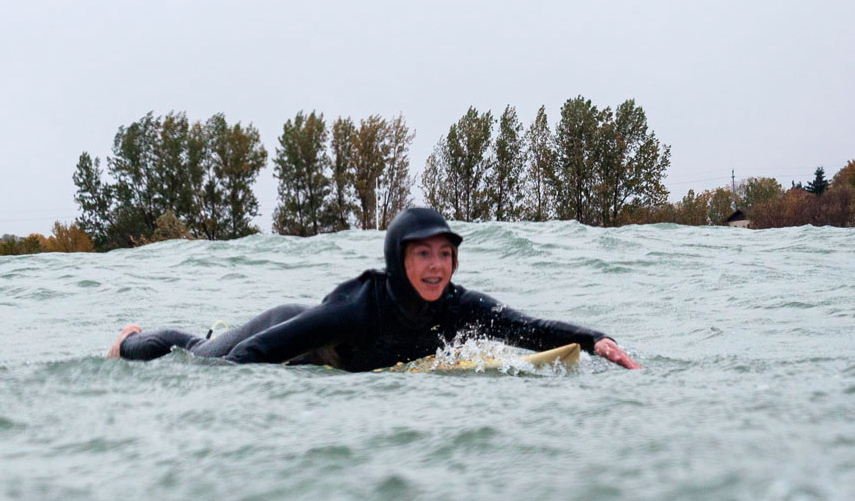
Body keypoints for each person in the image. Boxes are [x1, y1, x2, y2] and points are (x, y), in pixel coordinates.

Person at [106, 207, 641, 371]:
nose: (436, 267)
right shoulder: (356, 310)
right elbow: (248, 357)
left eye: (445, 253)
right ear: (397, 259)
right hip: (288, 329)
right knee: (200, 352)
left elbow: (527, 328)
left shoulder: (458, 307)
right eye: (422, 254)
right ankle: (128, 340)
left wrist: (595, 339)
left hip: (328, 354)